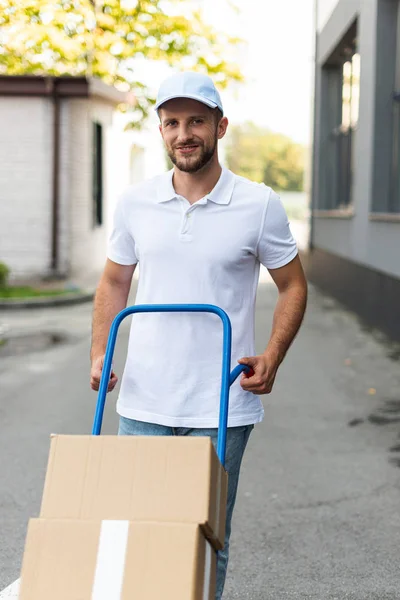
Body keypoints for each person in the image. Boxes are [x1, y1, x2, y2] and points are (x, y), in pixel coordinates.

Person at [90, 71, 308, 599]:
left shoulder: (258, 204)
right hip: (143, 401)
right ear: (161, 131)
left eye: (196, 121)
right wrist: (100, 351)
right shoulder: (136, 203)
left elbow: (293, 285)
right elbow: (115, 280)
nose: (183, 133)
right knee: (137, 534)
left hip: (222, 406)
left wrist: (272, 354)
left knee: (206, 539)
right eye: (171, 123)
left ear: (220, 126)